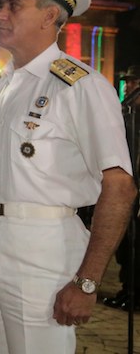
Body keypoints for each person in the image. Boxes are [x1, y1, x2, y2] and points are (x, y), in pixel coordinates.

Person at [0, 0, 137, 353]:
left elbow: (120, 187)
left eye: (13, 6)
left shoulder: (81, 86)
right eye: (0, 6)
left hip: (42, 250)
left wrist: (87, 281)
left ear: (49, 15)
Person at [102, 65, 140, 312]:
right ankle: (128, 290)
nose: (129, 87)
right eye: (128, 83)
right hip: (127, 189)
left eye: (134, 83)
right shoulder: (126, 114)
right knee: (126, 245)